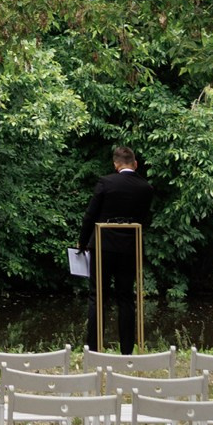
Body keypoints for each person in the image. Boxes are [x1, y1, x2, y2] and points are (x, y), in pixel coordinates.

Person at [72, 146, 153, 353]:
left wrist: (82, 242)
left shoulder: (106, 182)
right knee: (126, 297)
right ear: (135, 164)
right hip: (129, 247)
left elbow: (90, 215)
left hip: (103, 245)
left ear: (116, 164)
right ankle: (127, 350)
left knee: (97, 296)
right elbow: (145, 220)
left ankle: (94, 349)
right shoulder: (145, 187)